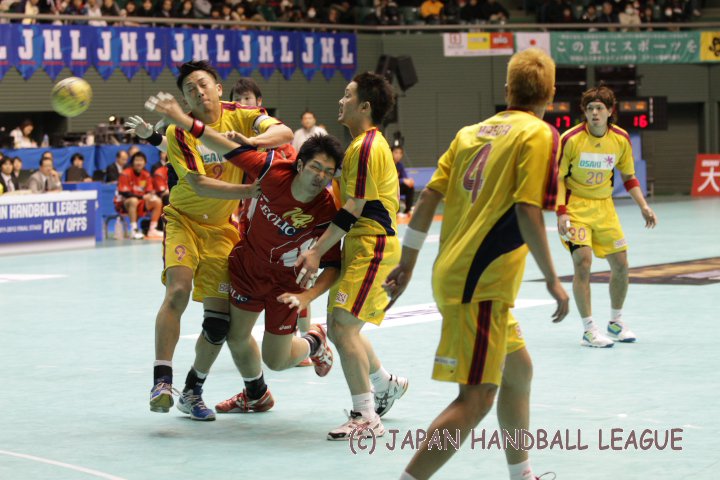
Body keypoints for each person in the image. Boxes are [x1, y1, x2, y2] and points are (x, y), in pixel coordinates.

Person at [383, 48, 569, 480]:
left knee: (518, 372)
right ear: (551, 93)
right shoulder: (540, 135)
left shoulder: (470, 134)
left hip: (460, 274)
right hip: (481, 283)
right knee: (477, 399)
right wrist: (553, 280)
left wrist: (407, 264)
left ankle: (521, 474)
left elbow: (427, 198)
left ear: (507, 89)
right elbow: (528, 211)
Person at [149, 92, 345, 415]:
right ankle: (255, 395)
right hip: (248, 267)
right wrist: (180, 122)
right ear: (300, 165)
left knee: (277, 360)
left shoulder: (325, 210)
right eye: (315, 167)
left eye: (328, 171)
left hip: (286, 282)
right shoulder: (270, 170)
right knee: (233, 335)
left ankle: (314, 340)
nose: (320, 176)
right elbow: (223, 146)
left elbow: (334, 265)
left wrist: (307, 297)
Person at [125, 60, 293, 419]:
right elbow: (199, 184)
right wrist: (251, 190)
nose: (198, 92)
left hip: (222, 229)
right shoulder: (179, 131)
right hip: (184, 220)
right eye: (189, 90)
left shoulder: (243, 116)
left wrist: (252, 142)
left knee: (218, 324)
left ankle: (193, 393)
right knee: (178, 290)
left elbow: (284, 133)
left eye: (203, 84)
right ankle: (162, 381)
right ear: (185, 100)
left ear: (218, 88)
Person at [294, 72, 408, 440]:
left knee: (343, 327)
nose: (340, 101)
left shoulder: (367, 147)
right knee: (343, 325)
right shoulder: (361, 145)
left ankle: (366, 416)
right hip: (360, 246)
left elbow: (353, 208)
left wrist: (316, 251)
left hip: (373, 245)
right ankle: (385, 384)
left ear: (365, 106)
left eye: (347, 95)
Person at [556, 86, 657, 348]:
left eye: (600, 108)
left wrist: (643, 206)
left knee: (621, 264)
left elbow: (629, 176)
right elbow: (558, 178)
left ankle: (615, 322)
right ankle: (589, 329)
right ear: (584, 112)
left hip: (605, 208)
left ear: (610, 111)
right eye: (590, 108)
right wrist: (561, 212)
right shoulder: (571, 139)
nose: (595, 113)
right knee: (583, 261)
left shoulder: (620, 139)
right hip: (576, 207)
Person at [114, 151, 164, 240]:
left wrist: (150, 195)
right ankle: (134, 230)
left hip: (140, 202)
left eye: (141, 160)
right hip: (123, 204)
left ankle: (152, 229)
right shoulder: (125, 173)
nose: (139, 163)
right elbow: (125, 193)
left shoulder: (146, 174)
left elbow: (149, 190)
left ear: (145, 163)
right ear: (132, 162)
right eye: (136, 160)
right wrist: (142, 197)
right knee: (133, 200)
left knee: (157, 201)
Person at [392, 145, 415, 216]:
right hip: (389, 189)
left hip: (398, 187)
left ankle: (407, 210)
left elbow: (405, 178)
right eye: (396, 152)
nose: (398, 155)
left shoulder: (400, 165)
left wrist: (409, 181)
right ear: (391, 153)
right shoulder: (388, 164)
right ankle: (397, 211)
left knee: (410, 187)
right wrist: (403, 180)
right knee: (394, 187)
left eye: (400, 153)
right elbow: (389, 181)